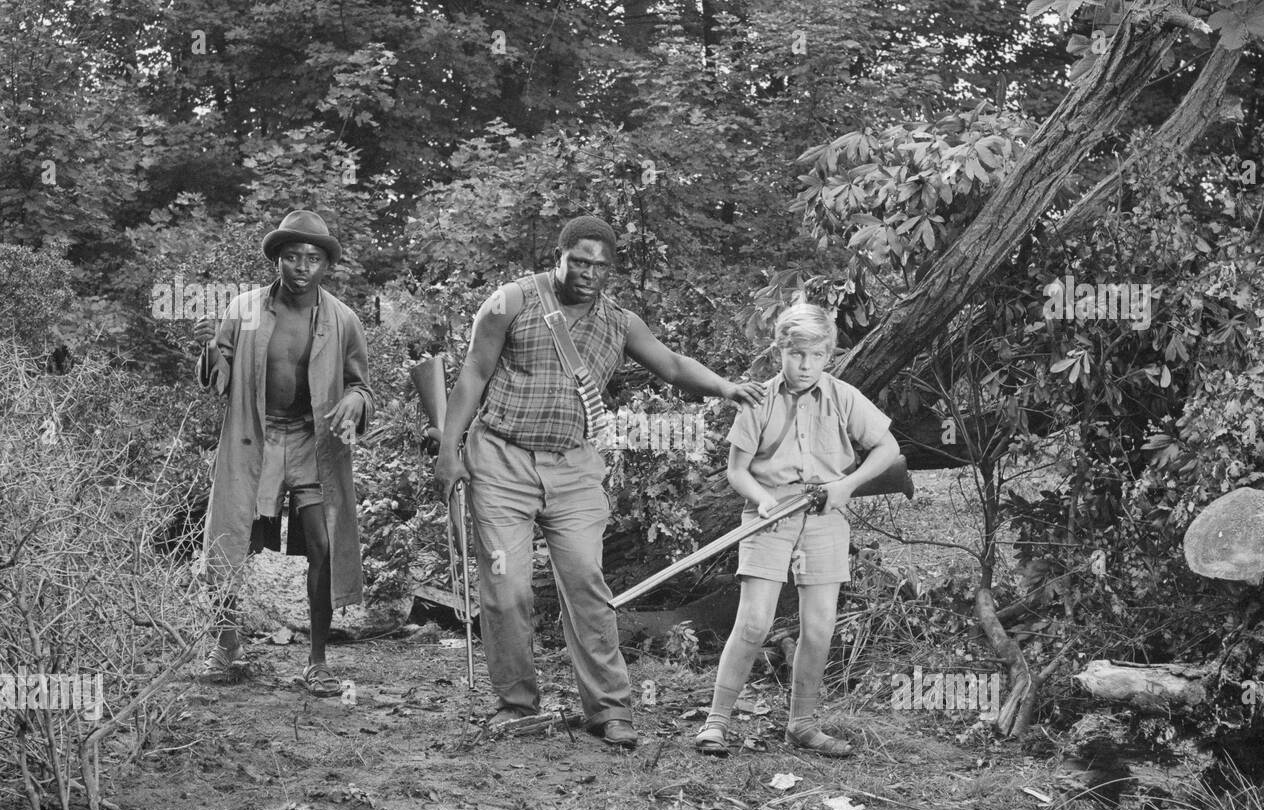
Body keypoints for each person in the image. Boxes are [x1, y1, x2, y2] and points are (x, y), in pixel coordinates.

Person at [431, 215, 763, 749]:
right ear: (559, 257)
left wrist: (726, 387)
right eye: (579, 261)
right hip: (499, 461)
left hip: (575, 469)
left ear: (611, 271)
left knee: (587, 581)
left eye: (599, 266)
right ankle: (517, 705)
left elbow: (674, 366)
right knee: (507, 587)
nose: (588, 273)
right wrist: (450, 450)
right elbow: (473, 371)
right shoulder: (511, 301)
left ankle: (609, 710)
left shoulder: (620, 322)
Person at [694, 303, 900, 756]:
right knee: (753, 622)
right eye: (796, 355)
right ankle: (716, 722)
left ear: (828, 355)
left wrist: (847, 486)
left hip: (825, 518)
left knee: (820, 625)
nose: (805, 366)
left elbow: (887, 447)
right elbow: (737, 472)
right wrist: (763, 499)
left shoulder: (843, 397)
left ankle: (802, 724)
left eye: (816, 357)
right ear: (779, 351)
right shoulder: (758, 399)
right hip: (769, 518)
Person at [193, 209, 374, 697]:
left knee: (323, 543)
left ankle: (317, 661)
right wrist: (214, 354)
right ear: (277, 260)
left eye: (312, 258)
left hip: (314, 442)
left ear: (325, 266)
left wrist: (355, 402)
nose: (301, 266)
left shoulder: (343, 319)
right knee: (231, 539)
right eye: (291, 256)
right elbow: (221, 366)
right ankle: (226, 645)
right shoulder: (245, 308)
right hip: (256, 435)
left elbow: (361, 386)